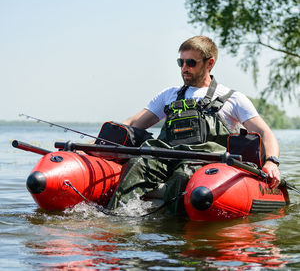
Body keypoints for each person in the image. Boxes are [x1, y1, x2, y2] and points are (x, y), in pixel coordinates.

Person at [106, 35, 281, 213]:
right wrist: (95, 145)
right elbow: (134, 123)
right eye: (180, 62)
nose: (184, 68)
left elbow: (265, 133)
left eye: (190, 62)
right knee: (137, 163)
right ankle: (115, 219)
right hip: (165, 157)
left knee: (183, 174)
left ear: (209, 63)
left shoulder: (233, 98)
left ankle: (172, 231)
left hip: (203, 163)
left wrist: (272, 162)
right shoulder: (169, 95)